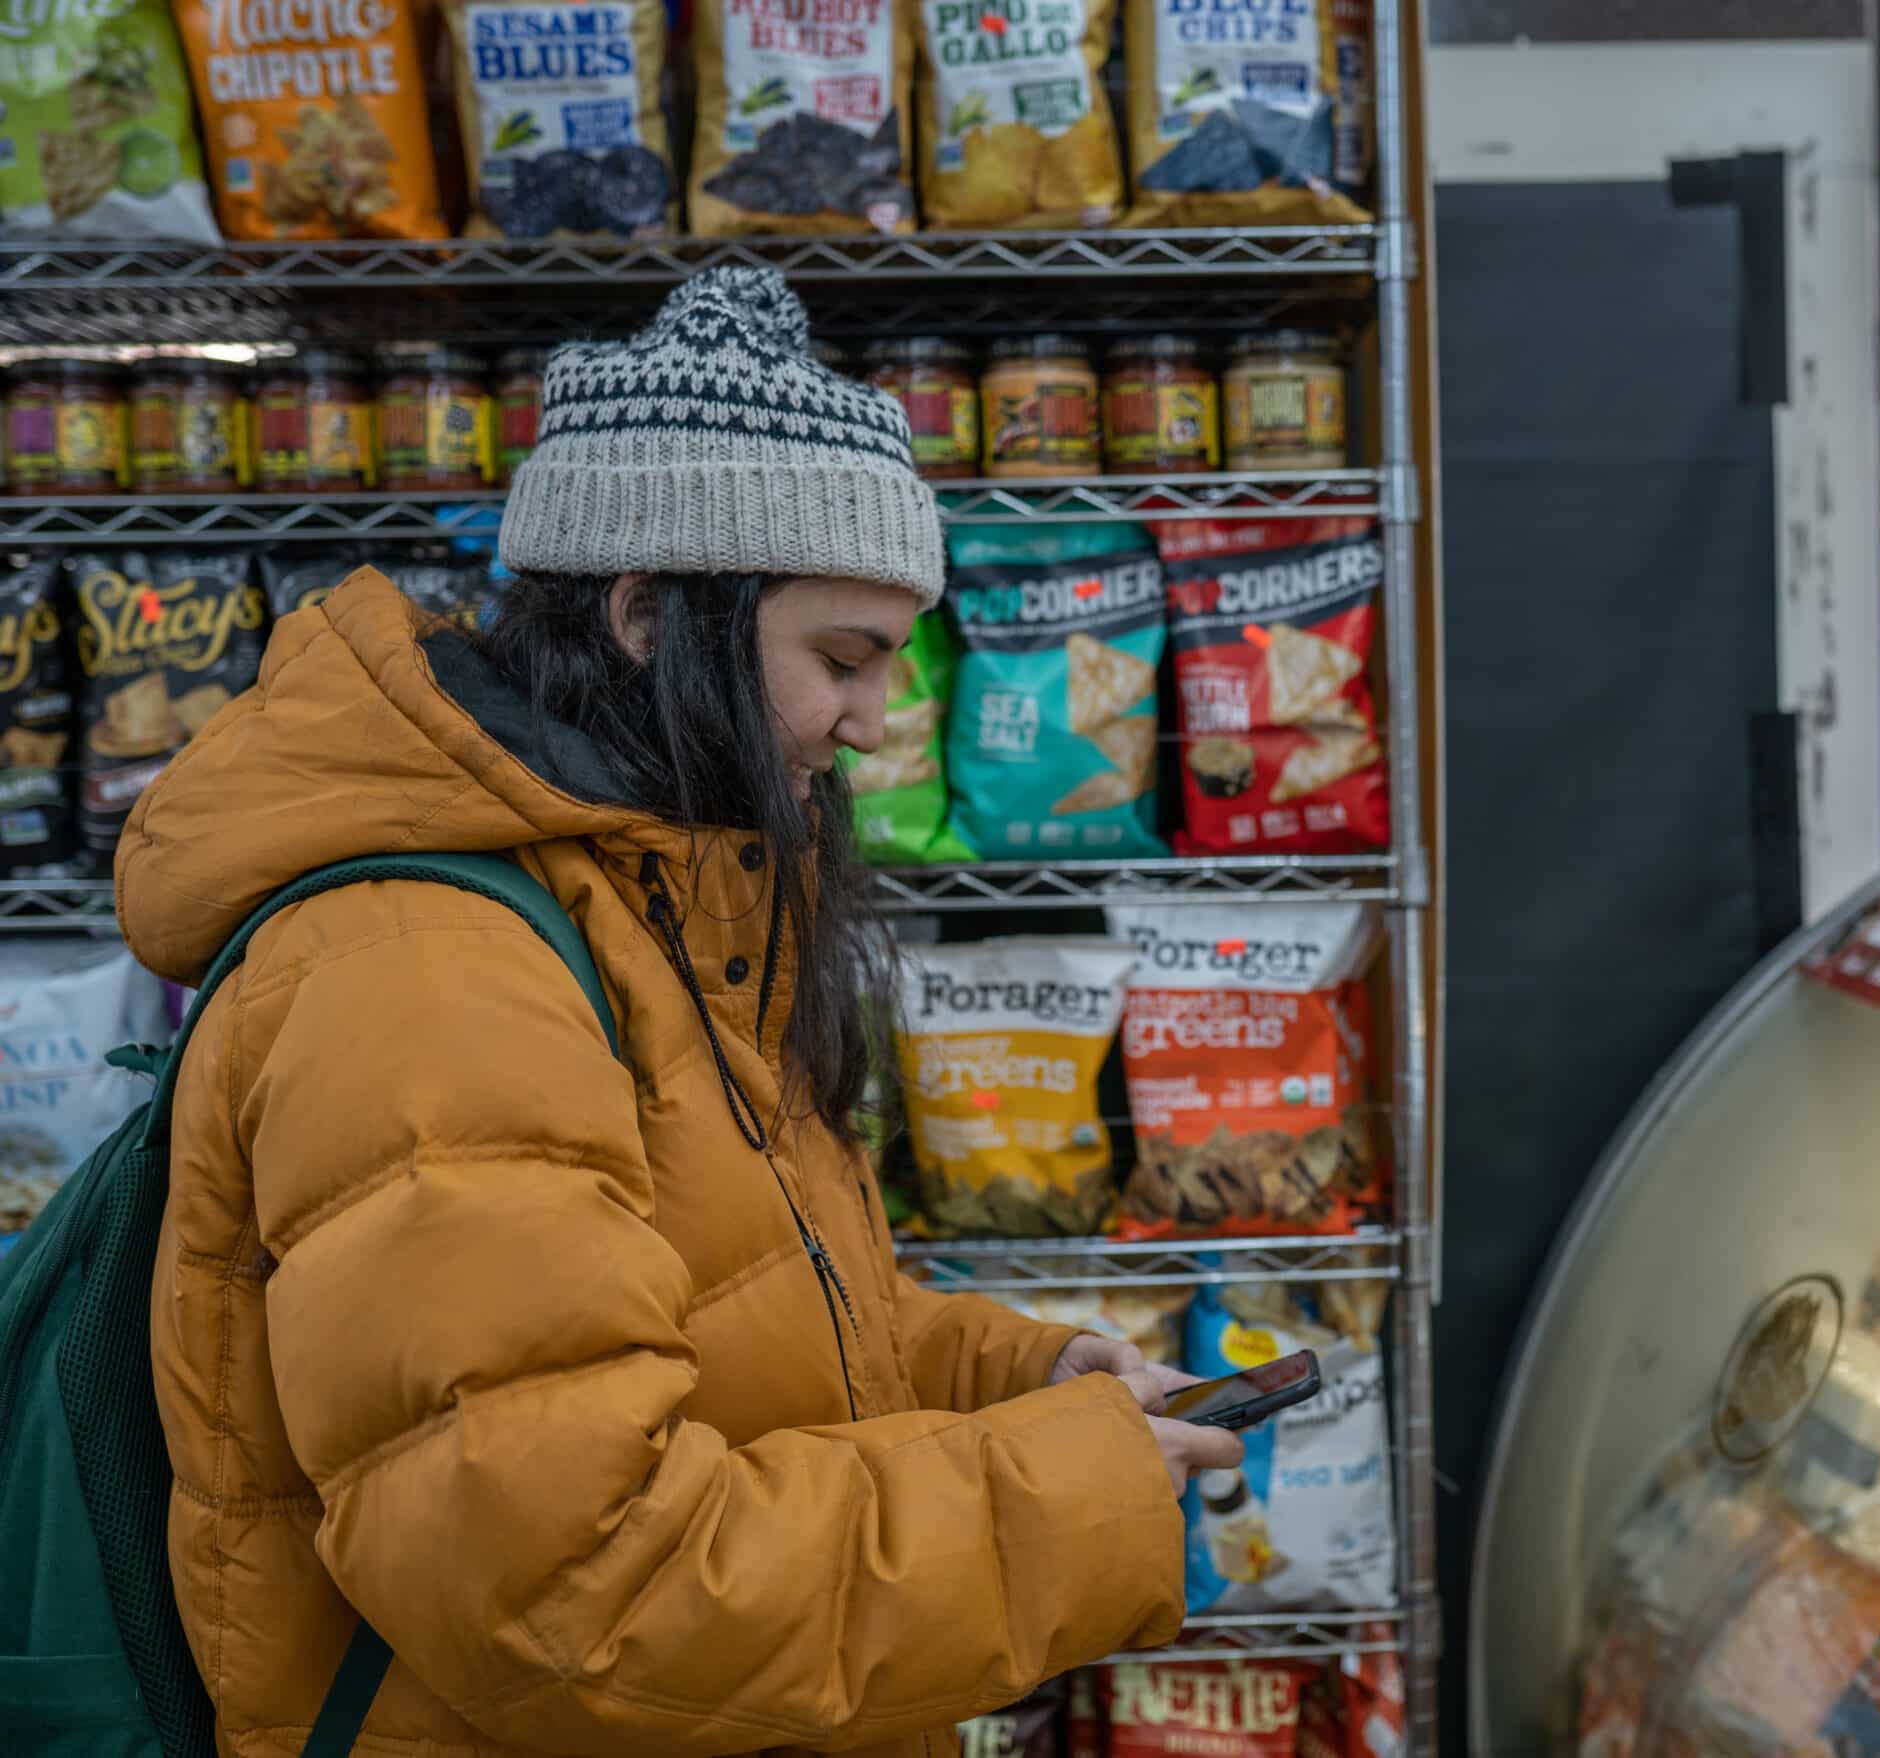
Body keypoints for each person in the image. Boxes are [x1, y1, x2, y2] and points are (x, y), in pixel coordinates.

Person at [120, 267, 1243, 1758]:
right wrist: (1063, 1499)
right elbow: (573, 1587)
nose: (875, 720)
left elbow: (721, 1301)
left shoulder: (647, 902)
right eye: (839, 659)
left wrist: (1015, 1377)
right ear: (652, 612)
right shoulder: (427, 975)